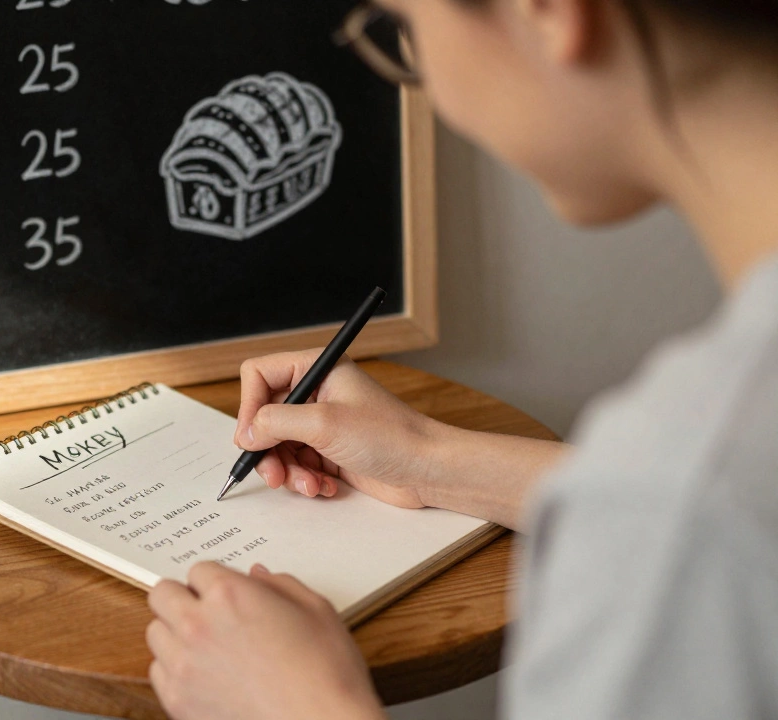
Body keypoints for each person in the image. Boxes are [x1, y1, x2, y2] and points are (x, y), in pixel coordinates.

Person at [144, 1, 778, 718]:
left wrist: (304, 705)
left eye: (405, 27)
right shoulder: (694, 482)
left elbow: (695, 512)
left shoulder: (685, 505)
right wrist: (427, 457)